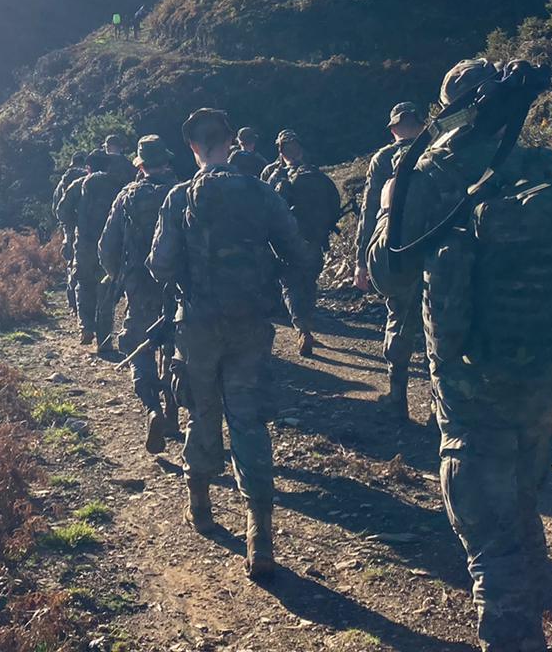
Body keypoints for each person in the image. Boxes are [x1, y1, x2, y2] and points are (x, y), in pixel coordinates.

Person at [370, 59, 552, 652]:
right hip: (549, 371)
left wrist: (392, 200)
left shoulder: (427, 173)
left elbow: (388, 275)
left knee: (488, 539)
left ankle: (516, 632)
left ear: (451, 107)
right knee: (521, 500)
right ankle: (540, 609)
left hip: (469, 379)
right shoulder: (551, 170)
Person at [149, 107, 309, 580]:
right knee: (250, 421)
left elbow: (159, 264)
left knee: (202, 410)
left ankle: (200, 505)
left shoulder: (179, 198)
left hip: (196, 324)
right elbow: (298, 253)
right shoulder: (263, 193)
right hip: (249, 324)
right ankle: (260, 533)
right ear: (230, 144)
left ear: (193, 147)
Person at [98, 135, 182, 452]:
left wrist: (118, 276)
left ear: (141, 164)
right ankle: (174, 410)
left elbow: (107, 247)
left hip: (139, 285)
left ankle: (152, 408)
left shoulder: (126, 196)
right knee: (176, 348)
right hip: (177, 285)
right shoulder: (183, 192)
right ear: (167, 161)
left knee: (137, 345)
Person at [354, 101, 428, 419]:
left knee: (399, 320)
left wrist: (361, 260)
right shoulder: (439, 152)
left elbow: (371, 211)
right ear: (422, 124)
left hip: (397, 253)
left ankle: (397, 397)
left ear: (393, 128)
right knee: (436, 326)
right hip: (438, 254)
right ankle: (440, 408)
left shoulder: (384, 158)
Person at [270, 130, 341, 356]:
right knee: (309, 283)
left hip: (287, 244)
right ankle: (308, 323)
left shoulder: (277, 178)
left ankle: (302, 328)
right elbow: (334, 206)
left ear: (280, 152)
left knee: (290, 286)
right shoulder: (318, 176)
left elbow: (269, 209)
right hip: (316, 241)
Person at [57, 150, 133, 348]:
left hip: (84, 244)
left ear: (88, 168)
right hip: (110, 246)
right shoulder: (118, 186)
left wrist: (77, 226)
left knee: (83, 283)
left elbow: (61, 211)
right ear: (108, 166)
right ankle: (105, 341)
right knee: (106, 290)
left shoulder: (78, 185)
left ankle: (85, 326)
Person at [52, 151, 90, 316]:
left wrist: (67, 224)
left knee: (71, 264)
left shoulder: (62, 183)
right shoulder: (89, 181)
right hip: (89, 228)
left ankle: (73, 304)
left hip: (69, 228)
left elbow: (57, 209)